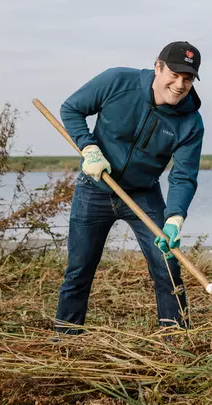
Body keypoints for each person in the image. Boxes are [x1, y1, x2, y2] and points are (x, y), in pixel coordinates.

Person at [55, 41, 204, 334]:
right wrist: (89, 148)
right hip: (94, 188)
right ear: (158, 67)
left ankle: (175, 338)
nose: (179, 84)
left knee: (167, 267)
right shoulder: (117, 82)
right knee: (79, 269)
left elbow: (183, 175)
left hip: (143, 194)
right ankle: (66, 341)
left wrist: (174, 218)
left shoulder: (191, 122)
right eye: (174, 74)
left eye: (187, 78)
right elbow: (71, 109)